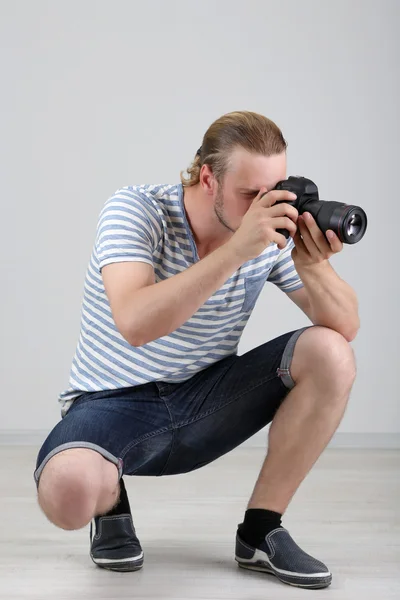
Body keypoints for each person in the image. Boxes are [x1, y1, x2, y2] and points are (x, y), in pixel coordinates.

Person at [34, 111, 359, 589]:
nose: (264, 207)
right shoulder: (137, 210)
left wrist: (313, 265)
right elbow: (136, 323)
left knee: (331, 352)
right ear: (208, 178)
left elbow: (345, 325)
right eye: (250, 194)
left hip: (207, 400)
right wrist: (236, 252)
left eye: (274, 191)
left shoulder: (268, 234)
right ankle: (108, 500)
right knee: (67, 495)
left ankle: (261, 529)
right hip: (113, 404)